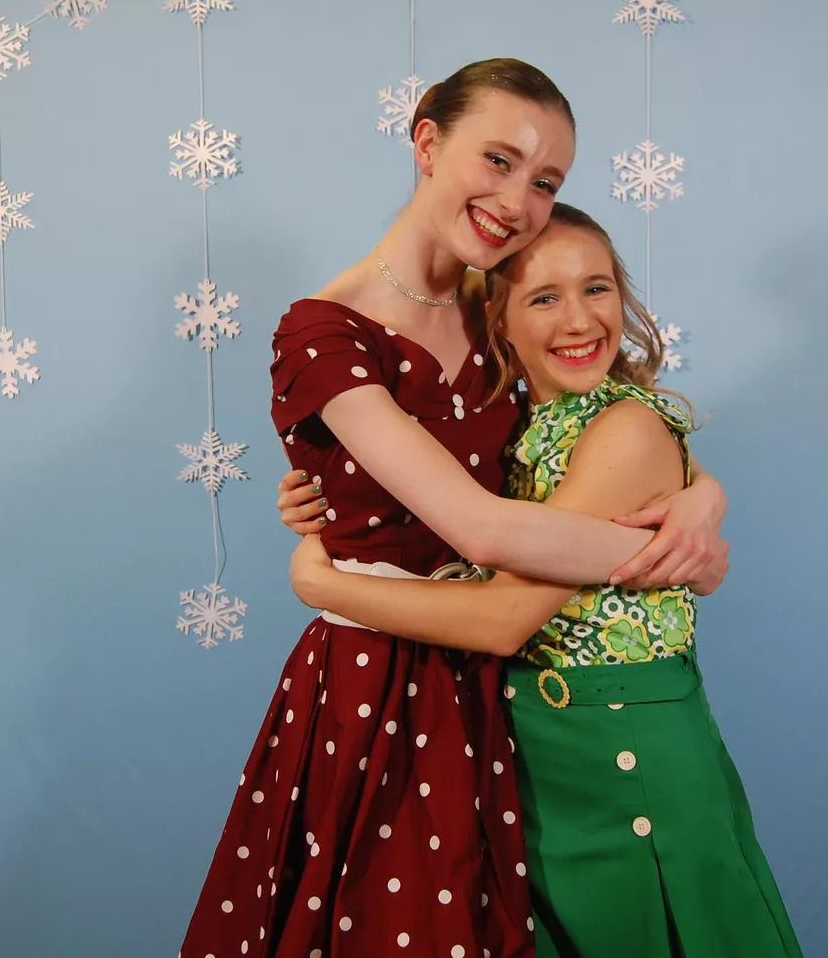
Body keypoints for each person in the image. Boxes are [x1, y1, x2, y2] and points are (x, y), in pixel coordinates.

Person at [180, 59, 731, 958]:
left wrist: (701, 499)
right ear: (428, 143)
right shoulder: (324, 332)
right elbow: (476, 527)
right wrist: (656, 557)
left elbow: (622, 427)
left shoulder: (502, 303)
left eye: (545, 181)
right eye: (499, 160)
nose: (518, 201)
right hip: (379, 683)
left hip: (509, 688)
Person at [283, 204, 801, 958]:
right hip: (528, 752)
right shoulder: (512, 421)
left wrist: (326, 589)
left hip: (626, 751)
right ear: (498, 320)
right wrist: (325, 493)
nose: (580, 320)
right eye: (544, 298)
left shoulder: (625, 427)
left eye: (597, 288)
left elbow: (504, 619)